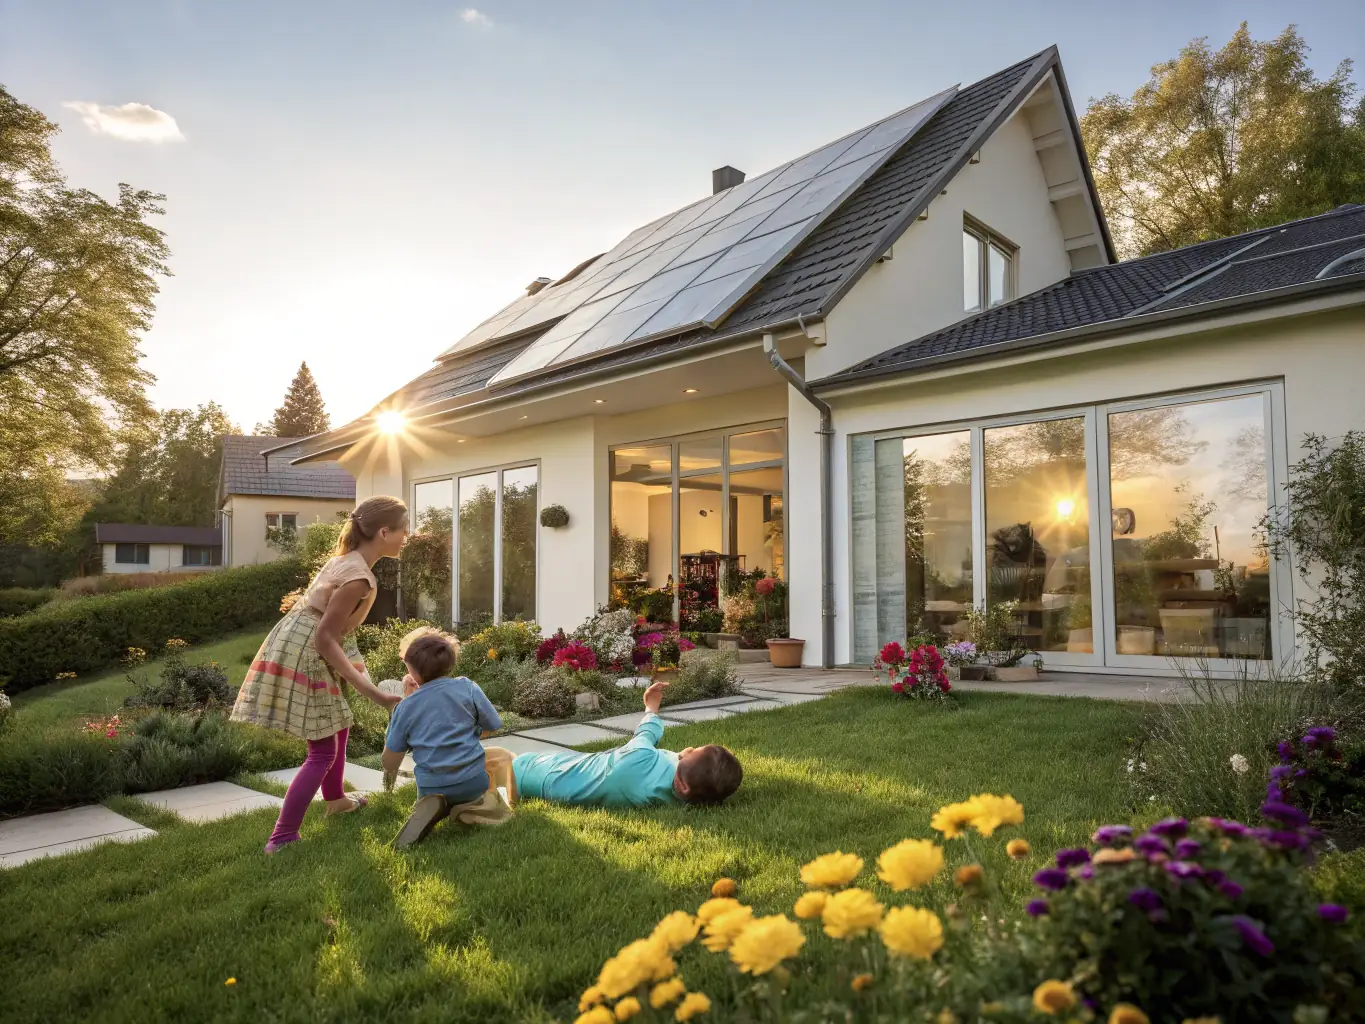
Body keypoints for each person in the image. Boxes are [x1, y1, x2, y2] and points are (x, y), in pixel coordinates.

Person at [230, 495, 409, 854]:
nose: (408, 534)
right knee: (323, 749)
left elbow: (335, 632)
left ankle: (336, 801)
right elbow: (325, 638)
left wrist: (356, 672)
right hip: (309, 651)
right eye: (404, 528)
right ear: (384, 532)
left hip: (301, 640)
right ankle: (282, 838)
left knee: (336, 725)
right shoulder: (359, 577)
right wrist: (374, 693)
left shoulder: (348, 561)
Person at [510, 679, 743, 809]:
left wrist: (651, 705)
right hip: (553, 786)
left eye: (693, 752)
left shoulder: (639, 756)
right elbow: (677, 772)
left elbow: (647, 730)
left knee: (507, 759)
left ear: (682, 784)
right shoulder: (677, 800)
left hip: (540, 772)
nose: (689, 749)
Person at [382, 632, 514, 849]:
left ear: (412, 671)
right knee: (487, 786)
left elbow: (390, 761)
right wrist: (467, 733)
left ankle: (433, 805)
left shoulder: (406, 707)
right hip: (472, 780)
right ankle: (472, 807)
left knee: (434, 789)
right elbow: (493, 725)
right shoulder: (467, 687)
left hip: (431, 784)